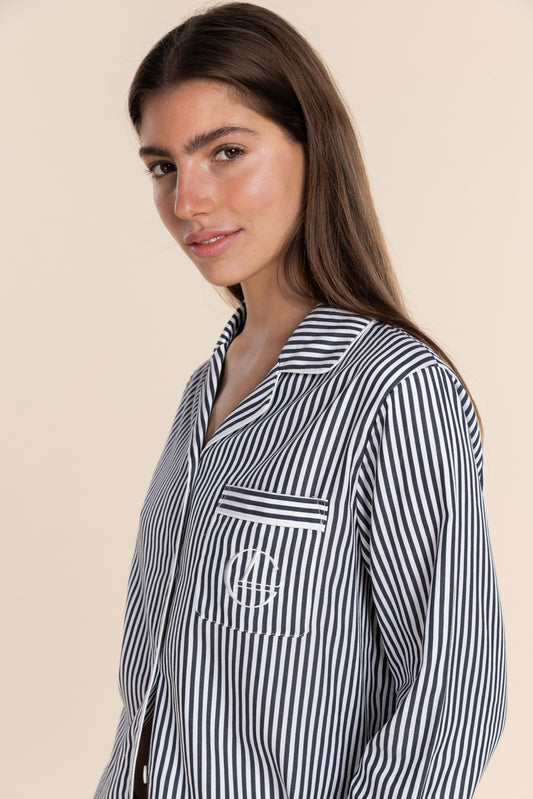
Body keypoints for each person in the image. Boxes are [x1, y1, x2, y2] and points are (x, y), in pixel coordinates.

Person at [94, 4, 507, 798]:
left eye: (225, 152)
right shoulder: (203, 390)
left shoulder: (393, 388)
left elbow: (452, 697)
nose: (187, 200)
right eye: (162, 166)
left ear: (312, 149)